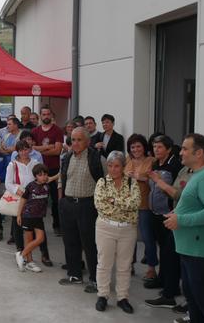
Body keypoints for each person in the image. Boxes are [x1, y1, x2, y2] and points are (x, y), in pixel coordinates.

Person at [163, 134, 204, 323]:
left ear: (199, 153)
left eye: (184, 148)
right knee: (194, 303)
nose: (180, 152)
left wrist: (180, 219)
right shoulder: (199, 174)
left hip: (200, 253)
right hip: (191, 250)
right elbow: (197, 206)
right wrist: (178, 214)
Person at [58, 127, 105, 293]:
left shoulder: (97, 158)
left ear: (88, 141)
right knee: (70, 241)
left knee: (90, 244)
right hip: (68, 204)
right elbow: (61, 178)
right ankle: (75, 274)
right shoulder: (67, 157)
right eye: (73, 139)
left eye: (79, 140)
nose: (75, 143)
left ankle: (95, 279)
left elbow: (106, 183)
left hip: (87, 206)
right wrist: (61, 200)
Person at [93, 151, 140, 314]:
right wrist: (123, 205)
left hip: (128, 229)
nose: (113, 169)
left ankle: (122, 297)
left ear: (123, 167)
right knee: (104, 263)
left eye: (117, 166)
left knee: (124, 265)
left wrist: (113, 201)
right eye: (110, 166)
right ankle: (103, 295)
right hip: (105, 227)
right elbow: (101, 206)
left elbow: (135, 203)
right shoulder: (102, 183)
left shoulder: (131, 183)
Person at [145, 134, 184, 308]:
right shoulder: (155, 164)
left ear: (168, 149)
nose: (156, 150)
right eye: (154, 147)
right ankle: (162, 280)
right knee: (163, 250)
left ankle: (171, 289)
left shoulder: (175, 166)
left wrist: (157, 180)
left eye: (160, 147)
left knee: (170, 255)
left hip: (169, 215)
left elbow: (175, 192)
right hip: (155, 214)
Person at [124, 134, 157, 282]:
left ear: (144, 147)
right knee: (129, 237)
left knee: (147, 237)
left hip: (145, 204)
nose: (135, 149)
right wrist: (126, 176)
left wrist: (141, 177)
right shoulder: (128, 160)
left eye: (138, 146)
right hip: (129, 204)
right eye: (132, 147)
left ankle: (151, 268)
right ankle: (130, 264)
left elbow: (156, 180)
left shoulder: (152, 161)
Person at [31, 106, 64, 235]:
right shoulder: (35, 131)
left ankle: (57, 225)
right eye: (43, 114)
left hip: (53, 169)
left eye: (48, 114)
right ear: (40, 116)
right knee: (37, 199)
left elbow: (57, 150)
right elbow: (31, 149)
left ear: (51, 116)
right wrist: (48, 147)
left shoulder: (57, 131)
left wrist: (40, 149)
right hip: (38, 170)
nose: (46, 116)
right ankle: (36, 226)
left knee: (56, 199)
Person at [15, 163, 50, 273]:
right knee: (29, 239)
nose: (43, 177)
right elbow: (23, 200)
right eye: (40, 175)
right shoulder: (30, 186)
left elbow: (53, 177)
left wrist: (59, 174)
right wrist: (19, 214)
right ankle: (29, 262)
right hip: (28, 216)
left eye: (45, 174)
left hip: (39, 217)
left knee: (40, 238)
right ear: (35, 176)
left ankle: (21, 254)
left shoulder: (46, 185)